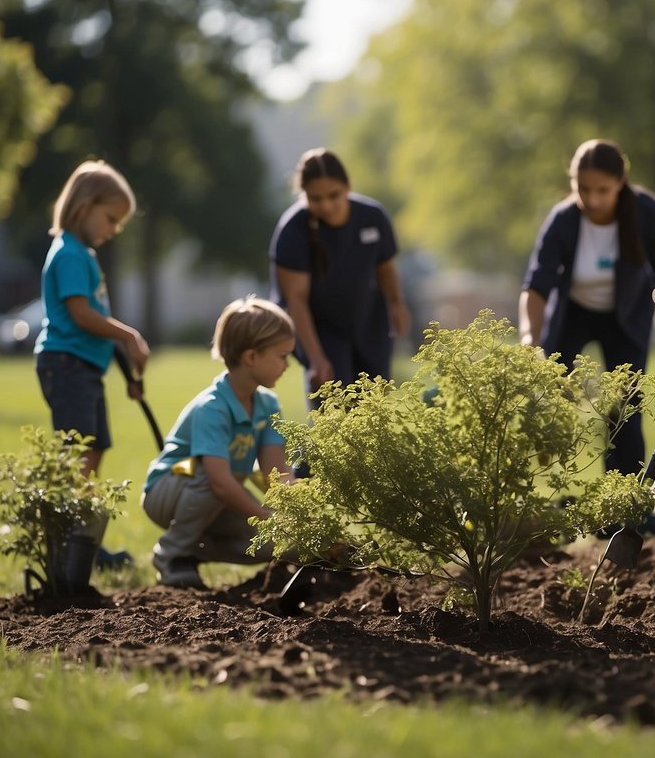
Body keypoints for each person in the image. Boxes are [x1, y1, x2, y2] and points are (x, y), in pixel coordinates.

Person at [519, 139, 655, 478]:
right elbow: (536, 285)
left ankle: (622, 507)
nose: (593, 200)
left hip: (626, 318)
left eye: (603, 190)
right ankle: (546, 490)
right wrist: (530, 337)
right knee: (551, 400)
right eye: (583, 189)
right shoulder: (563, 220)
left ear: (620, 182)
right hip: (573, 314)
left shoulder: (647, 213)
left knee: (624, 408)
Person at [34, 160, 150, 568]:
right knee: (77, 457)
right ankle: (66, 547)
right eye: (111, 218)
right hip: (66, 366)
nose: (114, 229)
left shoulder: (82, 254)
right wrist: (128, 335)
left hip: (84, 368)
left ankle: (82, 543)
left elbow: (95, 323)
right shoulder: (68, 253)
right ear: (84, 205)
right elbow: (83, 316)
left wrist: (128, 376)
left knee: (93, 450)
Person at [142, 297, 295, 588]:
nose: (287, 364)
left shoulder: (267, 405)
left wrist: (299, 520)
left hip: (214, 493)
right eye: (282, 355)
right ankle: (172, 554)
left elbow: (278, 477)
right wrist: (266, 517)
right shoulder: (213, 408)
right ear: (251, 357)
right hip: (170, 488)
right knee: (213, 477)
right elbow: (220, 483)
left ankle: (195, 551)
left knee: (274, 544)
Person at [270, 148, 410, 410]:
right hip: (319, 330)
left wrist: (396, 303)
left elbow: (385, 268)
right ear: (304, 196)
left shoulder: (373, 217)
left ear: (347, 187)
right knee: (334, 408)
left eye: (333, 196)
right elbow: (296, 300)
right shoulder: (293, 230)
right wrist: (316, 358)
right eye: (315, 198)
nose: (325, 205)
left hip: (368, 322)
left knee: (372, 410)